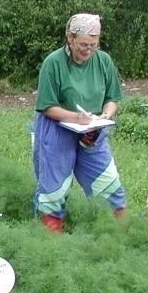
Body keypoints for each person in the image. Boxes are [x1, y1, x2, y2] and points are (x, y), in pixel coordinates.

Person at [33, 13, 126, 231]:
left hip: (93, 131)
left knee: (110, 187)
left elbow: (112, 98)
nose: (88, 50)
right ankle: (50, 239)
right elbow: (46, 105)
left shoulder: (103, 61)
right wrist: (75, 117)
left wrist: (105, 115)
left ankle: (120, 235)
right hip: (57, 130)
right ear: (70, 38)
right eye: (83, 44)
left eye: (93, 45)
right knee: (53, 191)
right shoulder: (53, 63)